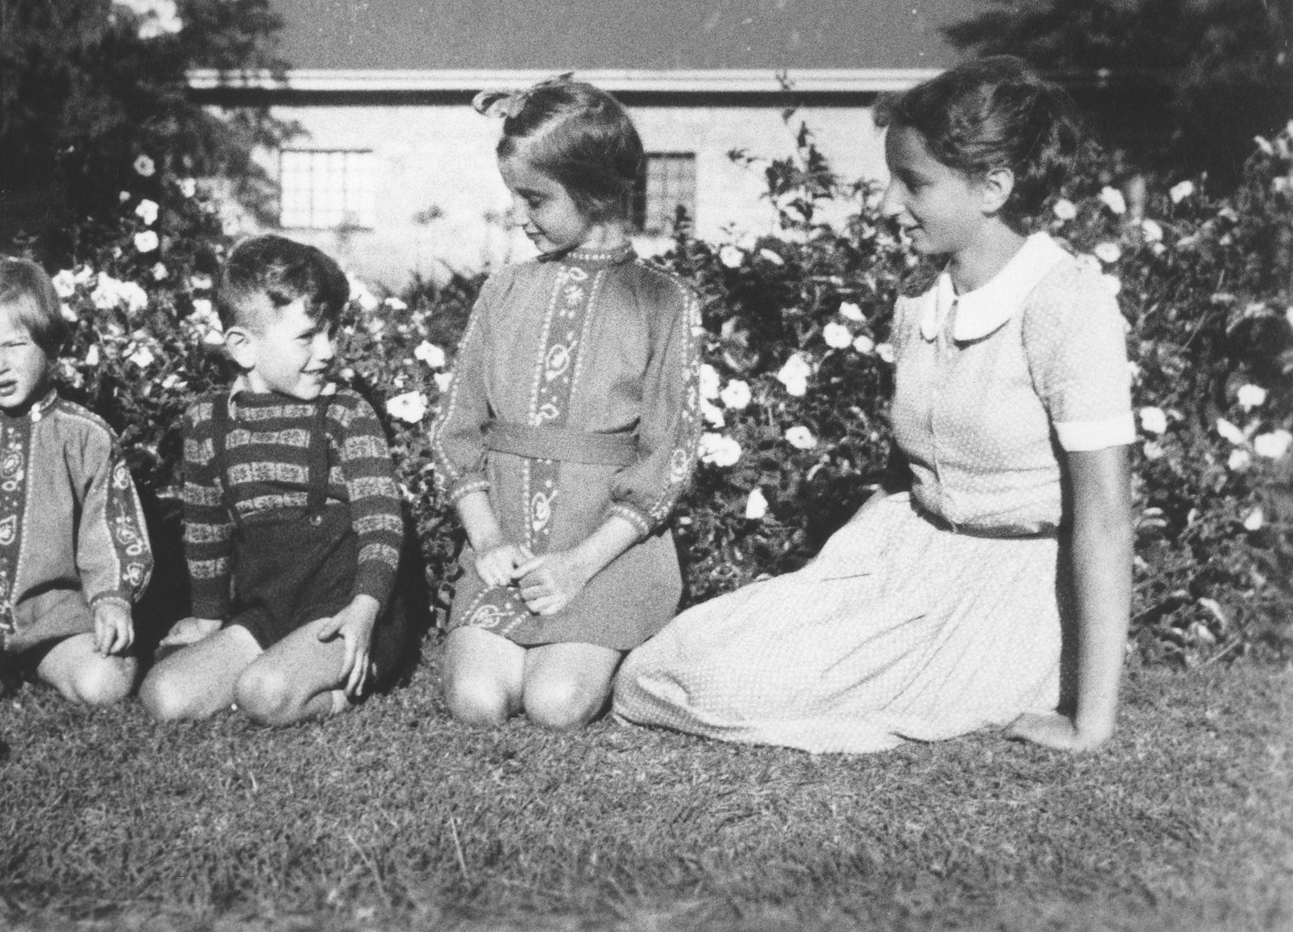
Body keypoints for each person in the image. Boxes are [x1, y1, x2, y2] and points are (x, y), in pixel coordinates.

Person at [614, 56, 1137, 754]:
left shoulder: (1067, 304)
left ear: (995, 187)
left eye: (914, 182)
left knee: (715, 689)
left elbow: (1104, 518)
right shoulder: (920, 299)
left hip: (1004, 600)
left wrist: (1089, 723)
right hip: (901, 557)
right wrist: (845, 578)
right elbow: (914, 466)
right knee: (662, 664)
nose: (890, 203)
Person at [432, 76, 702, 729]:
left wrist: (579, 567)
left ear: (597, 190)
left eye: (534, 198)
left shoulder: (664, 300)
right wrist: (489, 538)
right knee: (476, 701)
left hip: (605, 559)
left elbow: (667, 457)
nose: (519, 216)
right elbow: (457, 431)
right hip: (511, 549)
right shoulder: (503, 291)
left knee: (555, 704)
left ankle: (604, 640)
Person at [140, 235, 417, 725]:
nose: (328, 351)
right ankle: (274, 668)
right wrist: (207, 619)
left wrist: (366, 609)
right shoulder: (206, 420)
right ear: (243, 347)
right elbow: (207, 532)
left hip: (346, 609)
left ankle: (346, 686)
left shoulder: (346, 413)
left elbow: (382, 524)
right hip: (267, 611)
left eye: (332, 332)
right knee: (165, 696)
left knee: (263, 692)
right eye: (308, 336)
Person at [0, 257, 153, 710]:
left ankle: (38, 661)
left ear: (49, 342)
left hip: (55, 615)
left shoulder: (85, 437)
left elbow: (111, 530)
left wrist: (111, 599)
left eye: (14, 344)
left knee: (105, 682)